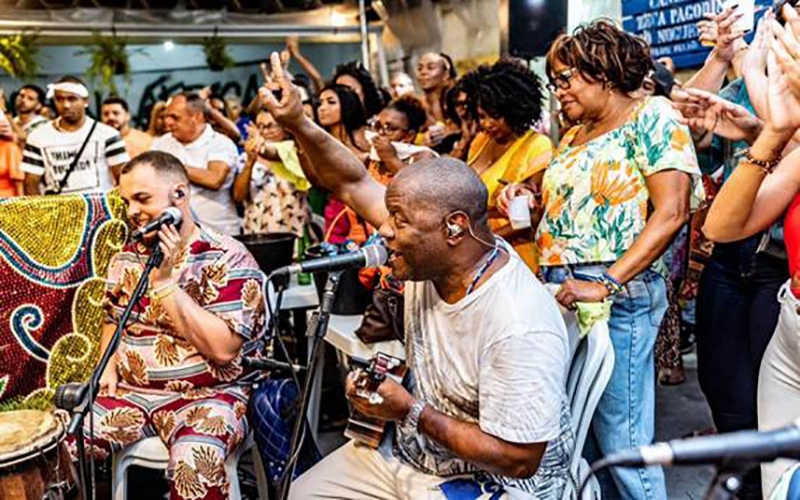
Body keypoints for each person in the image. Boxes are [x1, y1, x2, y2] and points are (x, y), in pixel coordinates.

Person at [258, 51, 574, 499]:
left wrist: (408, 409)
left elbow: (520, 458)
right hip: (407, 454)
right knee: (301, 493)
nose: (384, 231)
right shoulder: (435, 257)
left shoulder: (516, 321)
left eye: (399, 220)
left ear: (454, 227)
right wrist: (297, 122)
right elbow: (349, 183)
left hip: (489, 483)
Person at [502, 21, 703, 500]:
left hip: (615, 288)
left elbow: (672, 210)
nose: (559, 90)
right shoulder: (574, 135)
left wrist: (607, 284)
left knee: (623, 437)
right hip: (561, 287)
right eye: (554, 81)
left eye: (566, 77)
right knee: (582, 440)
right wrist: (529, 201)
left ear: (604, 72)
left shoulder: (652, 115)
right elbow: (576, 210)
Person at [68, 150, 268, 500]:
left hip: (208, 396)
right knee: (56, 441)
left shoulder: (227, 256)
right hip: (133, 395)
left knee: (195, 461)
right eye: (127, 201)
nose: (132, 212)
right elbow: (113, 316)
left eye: (142, 199)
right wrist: (108, 367)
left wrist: (165, 284)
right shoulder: (127, 256)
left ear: (180, 195)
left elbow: (223, 350)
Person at [694, 6, 800, 495]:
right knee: (778, 478)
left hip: (772, 278)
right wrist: (773, 134)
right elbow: (723, 224)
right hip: (790, 324)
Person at [465, 59, 553, 271]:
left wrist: (485, 242)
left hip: (515, 255)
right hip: (476, 251)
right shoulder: (480, 141)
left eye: (495, 116)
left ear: (515, 109)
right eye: (482, 116)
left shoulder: (537, 145)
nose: (487, 124)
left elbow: (532, 217)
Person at [21, 76, 130, 195]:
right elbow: (30, 182)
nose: (66, 105)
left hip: (98, 208)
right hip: (57, 209)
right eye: (59, 99)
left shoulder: (107, 134)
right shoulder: (38, 137)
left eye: (72, 99)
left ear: (86, 101)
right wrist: (39, 212)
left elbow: (123, 177)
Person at [151, 92, 241, 235]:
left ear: (197, 117)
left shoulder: (219, 143)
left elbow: (214, 179)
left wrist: (170, 165)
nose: (168, 122)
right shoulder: (162, 143)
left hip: (219, 235)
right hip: (177, 236)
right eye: (166, 117)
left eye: (175, 117)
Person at [232, 108, 311, 237]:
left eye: (270, 126)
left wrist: (260, 146)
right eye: (260, 127)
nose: (265, 131)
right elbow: (238, 196)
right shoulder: (246, 156)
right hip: (258, 232)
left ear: (285, 128)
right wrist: (249, 163)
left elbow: (273, 152)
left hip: (293, 230)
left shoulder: (294, 151)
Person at [367, 95, 435, 185]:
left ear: (409, 136)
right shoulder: (373, 152)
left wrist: (390, 158)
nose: (381, 132)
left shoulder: (423, 155)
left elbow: (417, 186)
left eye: (390, 128)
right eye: (378, 126)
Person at [417, 52, 457, 150]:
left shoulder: (455, 103)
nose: (423, 72)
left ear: (446, 74)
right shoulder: (416, 107)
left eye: (430, 68)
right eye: (420, 68)